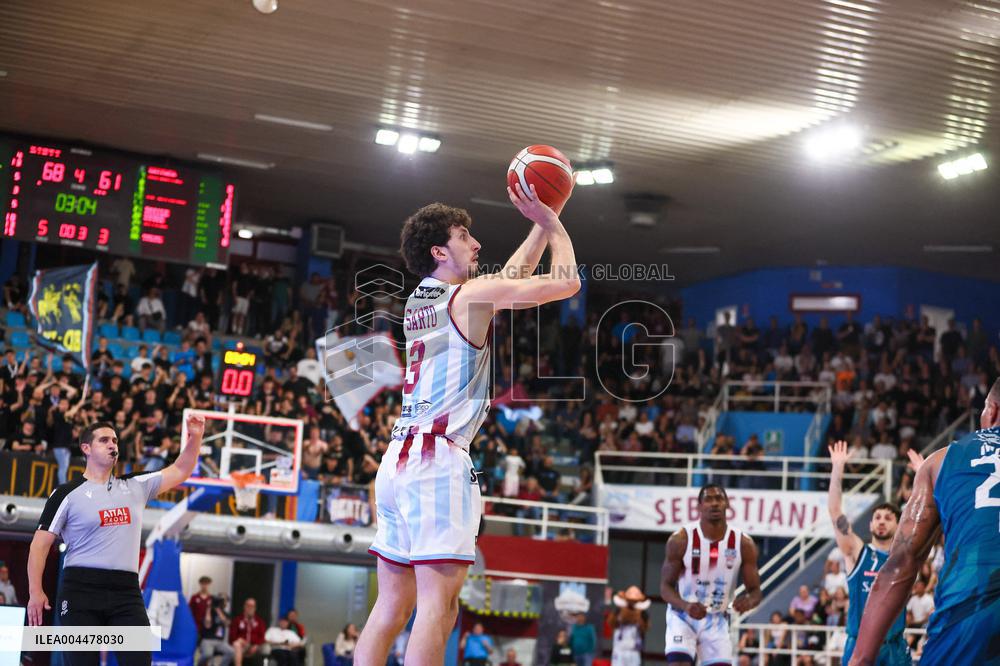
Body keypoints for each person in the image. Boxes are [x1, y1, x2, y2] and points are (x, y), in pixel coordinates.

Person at [354, 184, 580, 666]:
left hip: (397, 461)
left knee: (392, 605)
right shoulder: (470, 296)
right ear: (440, 250)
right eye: (464, 236)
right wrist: (557, 225)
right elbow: (566, 283)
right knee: (439, 607)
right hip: (437, 460)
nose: (476, 245)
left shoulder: (423, 299)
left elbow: (507, 280)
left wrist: (542, 221)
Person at [26, 415, 205, 666]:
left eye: (115, 440)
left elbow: (181, 470)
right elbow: (39, 545)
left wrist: (195, 437)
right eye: (104, 440)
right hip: (81, 590)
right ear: (86, 448)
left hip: (126, 593)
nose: (112, 444)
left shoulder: (136, 486)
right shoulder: (66, 494)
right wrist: (35, 591)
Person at [848, 377, 1000, 666]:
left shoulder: (941, 460)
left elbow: (901, 562)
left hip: (968, 617)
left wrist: (861, 658)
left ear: (991, 410)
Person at [827, 440, 911, 666]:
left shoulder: (905, 557)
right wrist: (838, 467)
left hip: (894, 647)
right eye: (877, 518)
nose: (882, 522)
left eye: (888, 518)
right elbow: (835, 512)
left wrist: (925, 477)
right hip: (860, 646)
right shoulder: (857, 552)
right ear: (871, 525)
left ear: (898, 524)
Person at [660, 484, 762, 665]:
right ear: (699, 507)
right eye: (708, 499)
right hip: (683, 616)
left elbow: (755, 591)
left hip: (717, 620)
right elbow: (665, 587)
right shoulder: (681, 540)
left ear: (727, 504)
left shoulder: (743, 544)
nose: (714, 504)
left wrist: (749, 601)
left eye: (719, 499)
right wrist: (685, 605)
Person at [191, 576, 235, 666]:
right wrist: (209, 608)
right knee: (207, 654)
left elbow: (227, 623)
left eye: (224, 600)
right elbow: (207, 624)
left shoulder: (225, 613)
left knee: (231, 652)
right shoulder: (207, 608)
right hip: (205, 637)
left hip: (220, 641)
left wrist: (218, 610)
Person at [230, 598, 266, 666]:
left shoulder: (260, 621)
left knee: (265, 648)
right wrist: (241, 640)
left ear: (255, 608)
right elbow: (232, 637)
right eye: (248, 606)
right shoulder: (237, 620)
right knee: (237, 644)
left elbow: (262, 637)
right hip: (242, 646)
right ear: (244, 606)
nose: (250, 608)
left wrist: (256, 645)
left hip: (255, 646)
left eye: (252, 606)